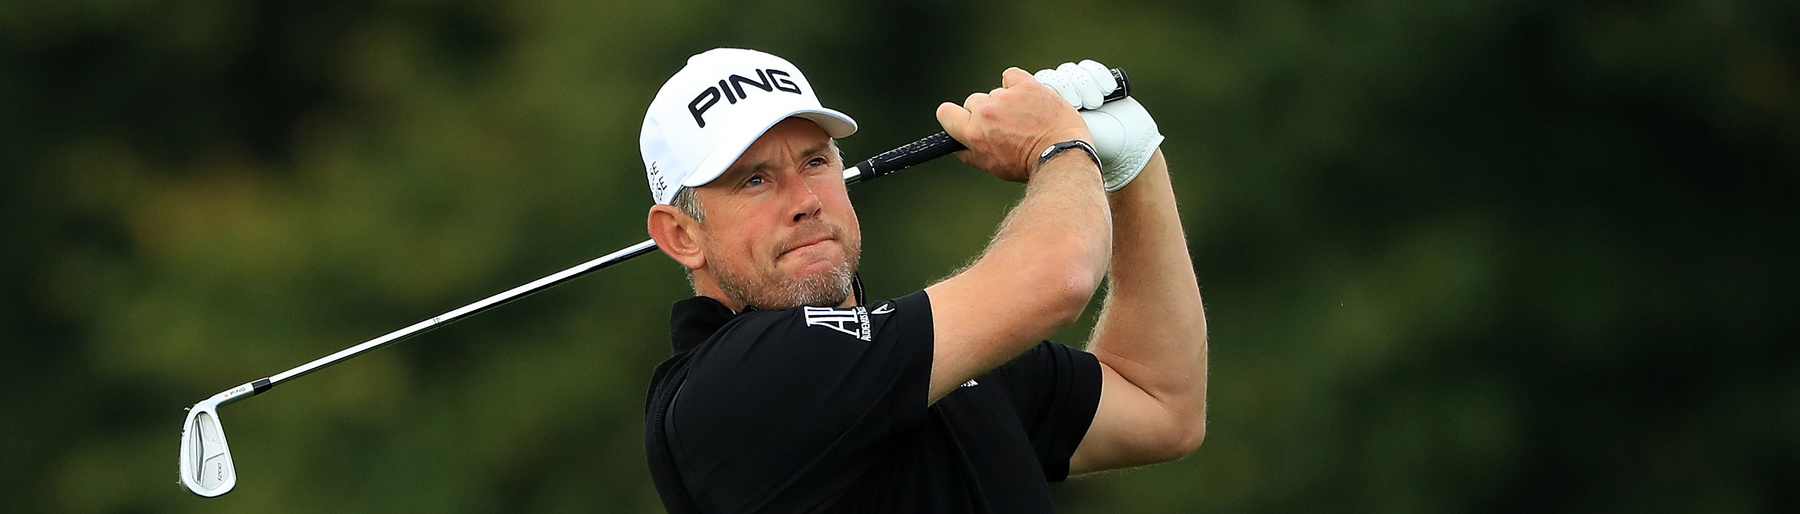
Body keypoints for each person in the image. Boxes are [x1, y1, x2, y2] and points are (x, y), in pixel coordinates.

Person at [639, 48, 1207, 513]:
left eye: (816, 162)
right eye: (755, 180)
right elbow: (1059, 277)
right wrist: (1060, 148)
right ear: (682, 236)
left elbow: (1160, 406)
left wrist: (1134, 164)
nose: (807, 202)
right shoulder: (733, 386)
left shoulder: (930, 360)